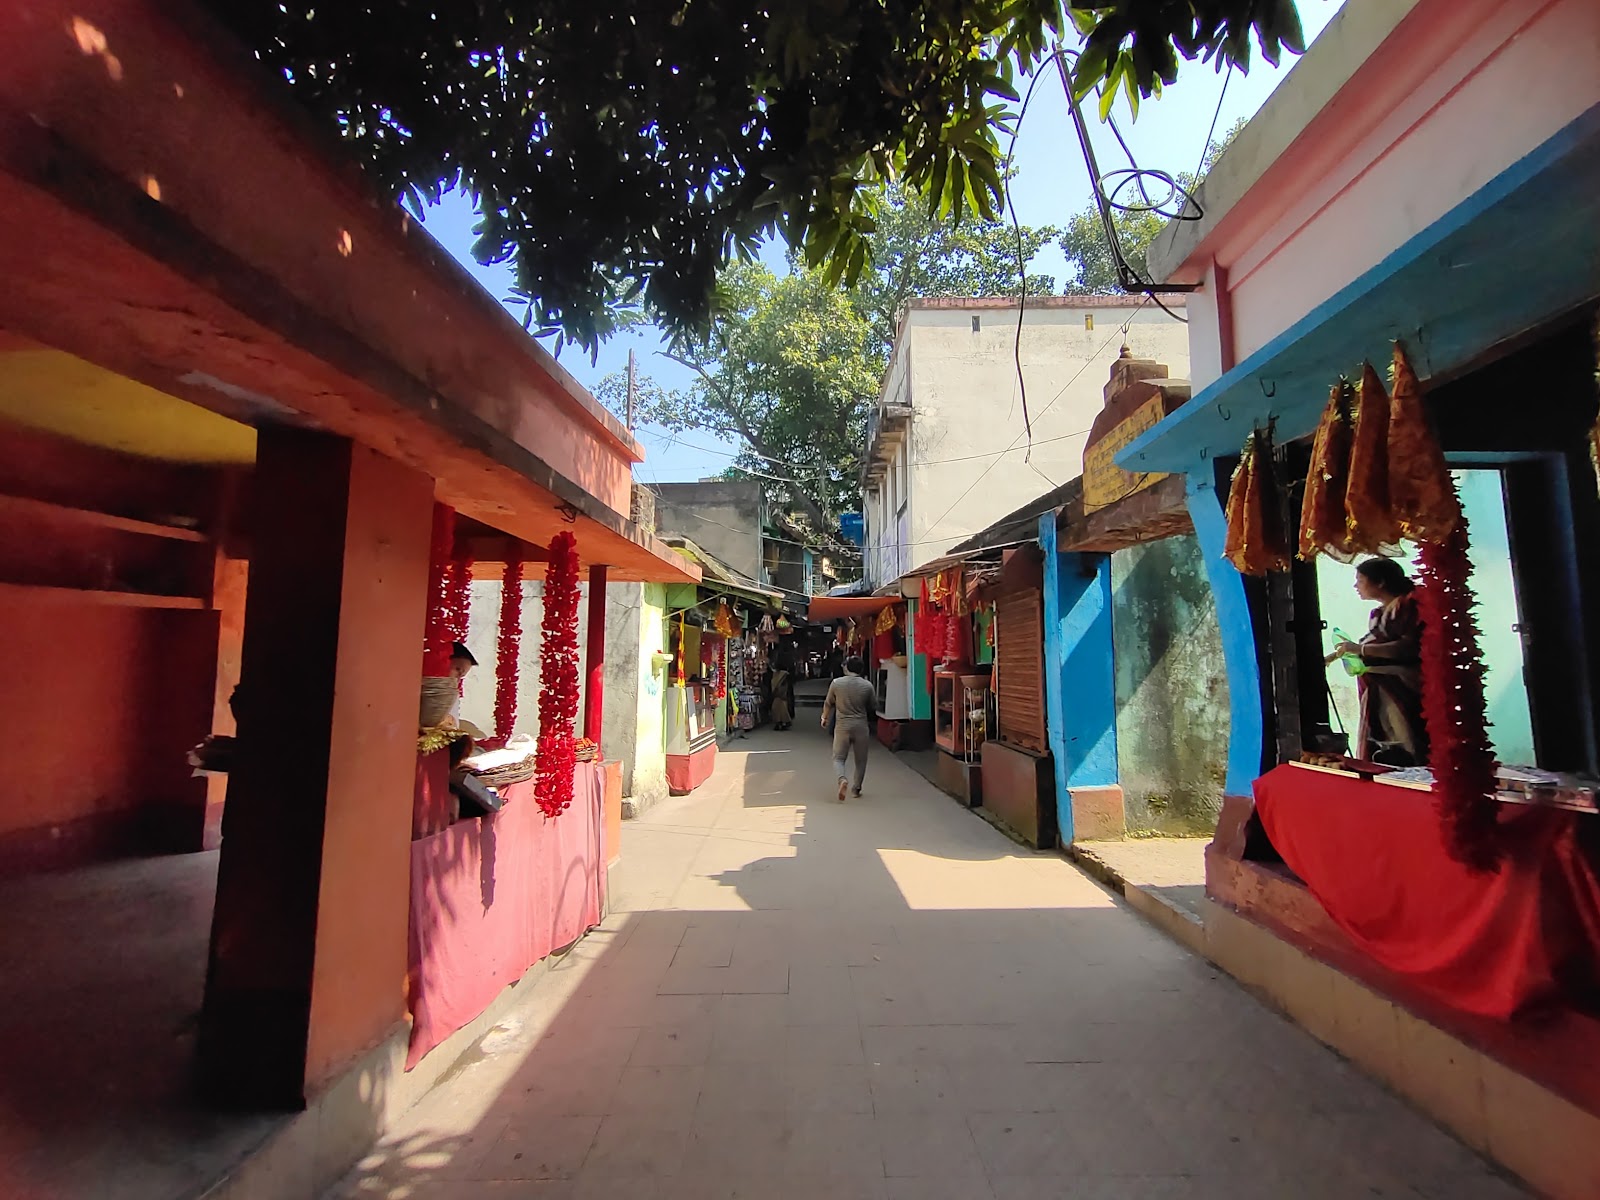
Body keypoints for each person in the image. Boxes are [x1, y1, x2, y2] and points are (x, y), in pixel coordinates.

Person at [1328, 557, 1428, 766]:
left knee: (1406, 738)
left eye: (1361, 580)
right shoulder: (1380, 613)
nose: (1356, 586)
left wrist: (1360, 649)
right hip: (1378, 684)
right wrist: (1336, 655)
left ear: (1380, 582)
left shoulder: (1406, 605)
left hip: (1399, 684)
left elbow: (1406, 648)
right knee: (1386, 736)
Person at [821, 656, 877, 802]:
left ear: (847, 668)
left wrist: (824, 718)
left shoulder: (836, 683)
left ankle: (842, 779)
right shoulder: (867, 686)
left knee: (838, 758)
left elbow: (828, 703)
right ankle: (856, 788)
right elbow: (873, 706)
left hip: (842, 726)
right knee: (861, 760)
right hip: (861, 726)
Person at [770, 659, 794, 731]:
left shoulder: (782, 675)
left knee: (780, 710)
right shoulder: (781, 675)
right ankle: (781, 723)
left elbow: (783, 686)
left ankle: (782, 723)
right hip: (780, 695)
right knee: (778, 710)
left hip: (780, 695)